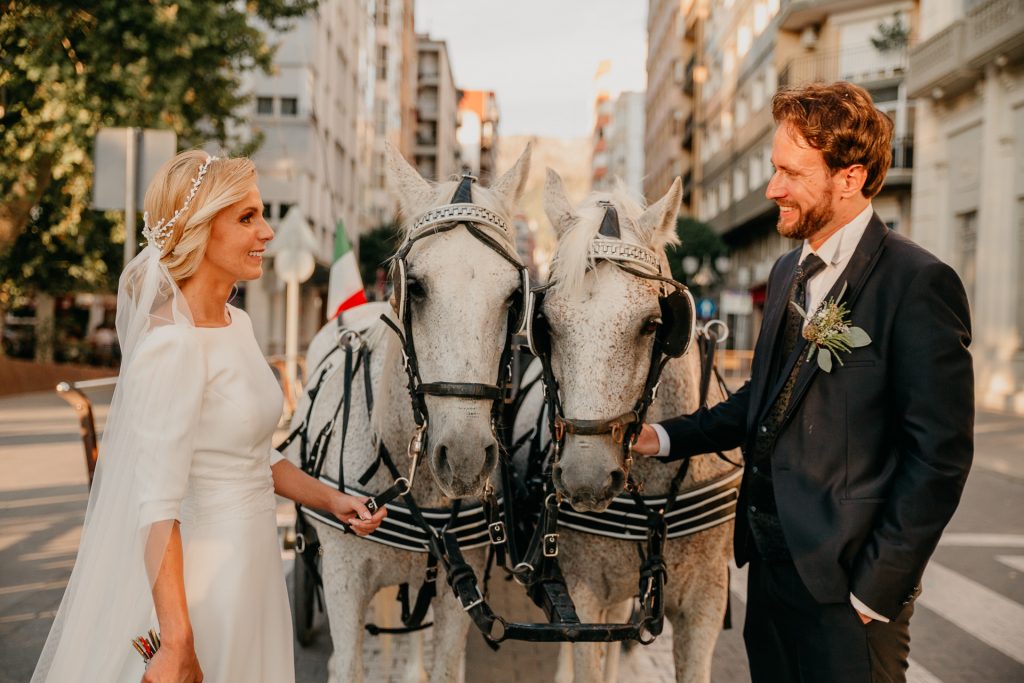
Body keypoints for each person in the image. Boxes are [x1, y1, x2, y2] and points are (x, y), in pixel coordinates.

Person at [632, 82, 974, 682]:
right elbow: (760, 404)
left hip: (848, 596)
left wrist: (876, 590)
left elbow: (939, 457)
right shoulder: (789, 269)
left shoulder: (918, 283)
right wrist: (657, 437)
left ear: (850, 177)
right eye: (773, 170)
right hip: (768, 578)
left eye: (790, 173)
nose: (772, 190)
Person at [33, 150, 387, 682]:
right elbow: (156, 510)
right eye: (247, 218)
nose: (267, 231)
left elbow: (254, 457)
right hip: (201, 589)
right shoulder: (171, 347)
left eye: (262, 214)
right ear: (198, 231)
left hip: (256, 572)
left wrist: (333, 500)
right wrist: (176, 640)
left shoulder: (237, 324)